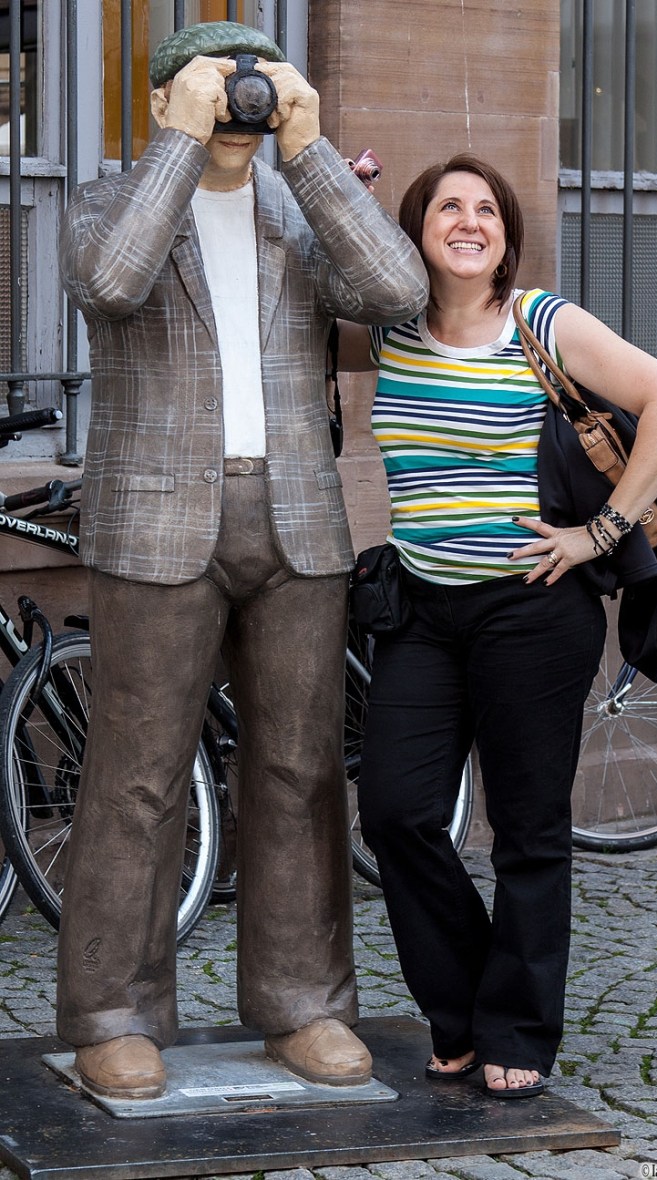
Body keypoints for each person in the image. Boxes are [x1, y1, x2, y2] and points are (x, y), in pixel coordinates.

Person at [55, 20, 428, 1101]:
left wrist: (311, 154)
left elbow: (398, 293)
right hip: (156, 524)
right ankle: (114, 1014)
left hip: (296, 520)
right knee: (136, 776)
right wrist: (177, 144)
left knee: (301, 773)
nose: (238, 104)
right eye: (214, 85)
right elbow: (111, 282)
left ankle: (303, 1003)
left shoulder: (300, 207)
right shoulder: (109, 201)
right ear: (163, 97)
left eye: (253, 84)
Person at [337, 153, 657, 1097]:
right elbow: (308, 283)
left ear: (506, 236)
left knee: (527, 832)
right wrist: (337, 194)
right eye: (446, 208)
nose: (468, 222)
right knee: (397, 814)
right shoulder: (384, 331)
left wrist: (600, 532)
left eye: (486, 210)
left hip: (532, 612)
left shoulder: (539, 323)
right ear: (414, 232)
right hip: (420, 610)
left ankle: (516, 1033)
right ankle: (462, 1007)